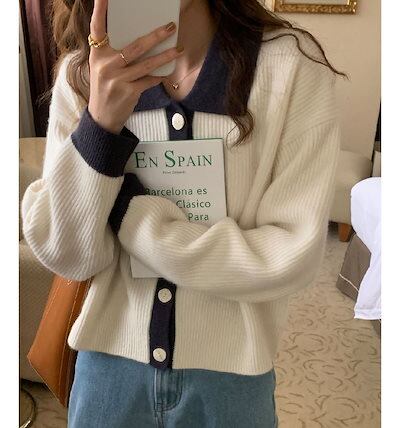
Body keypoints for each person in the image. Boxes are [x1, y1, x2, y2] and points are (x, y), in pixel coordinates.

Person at [21, 0, 346, 426]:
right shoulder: (83, 74)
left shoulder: (290, 65)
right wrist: (100, 123)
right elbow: (70, 257)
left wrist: (132, 215)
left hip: (231, 381)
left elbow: (290, 255)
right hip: (108, 371)